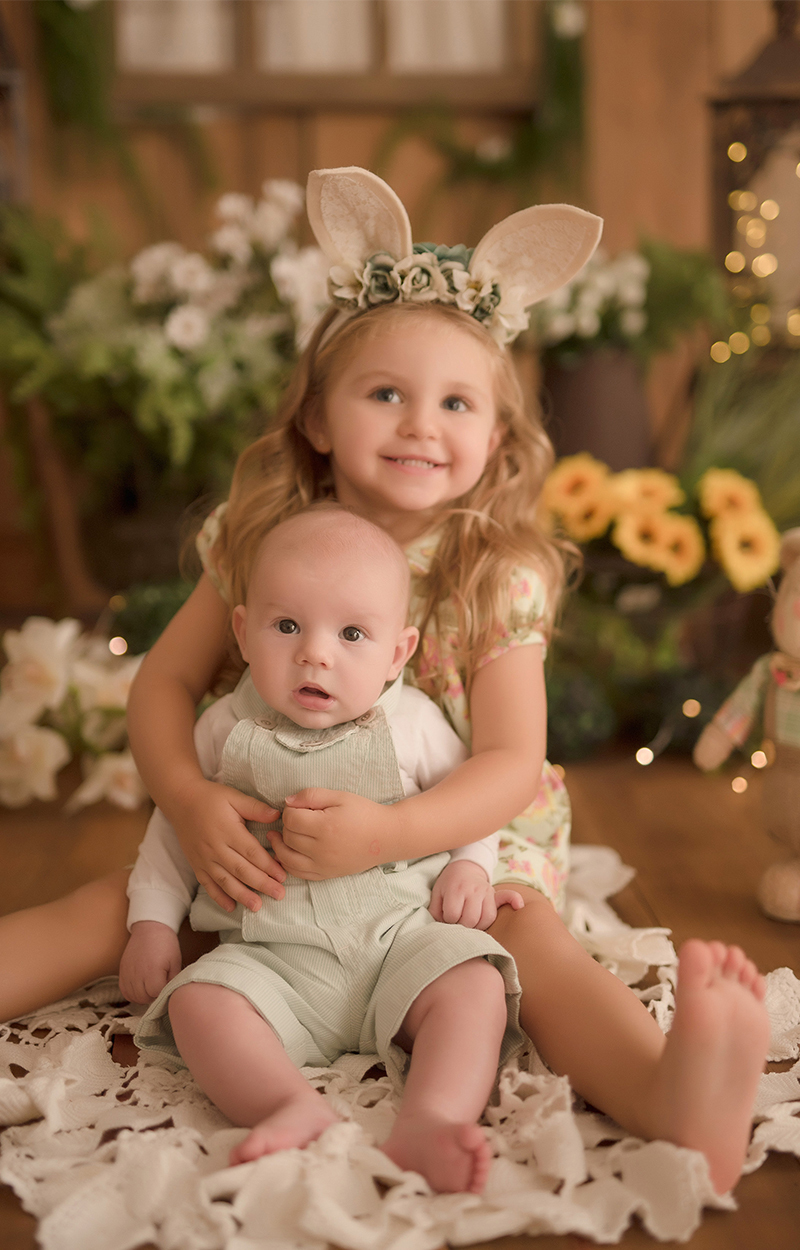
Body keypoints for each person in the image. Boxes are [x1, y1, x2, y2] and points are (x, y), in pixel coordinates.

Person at [0, 168, 769, 1197]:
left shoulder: (495, 574)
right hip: (275, 846)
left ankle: (669, 1093)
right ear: (317, 416)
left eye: (455, 401)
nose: (420, 424)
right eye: (385, 394)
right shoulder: (256, 539)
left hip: (445, 851)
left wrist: (391, 837)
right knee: (119, 909)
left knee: (526, 946)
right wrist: (189, 799)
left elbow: (507, 760)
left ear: (494, 438)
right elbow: (162, 687)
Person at [122, 503, 524, 1194]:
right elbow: (173, 827)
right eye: (287, 626)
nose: (315, 652)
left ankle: (431, 1117)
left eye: (352, 634)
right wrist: (152, 922)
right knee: (200, 1005)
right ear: (243, 633)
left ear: (397, 653)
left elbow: (470, 801)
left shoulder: (416, 726)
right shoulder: (225, 728)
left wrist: (469, 863)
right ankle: (285, 1104)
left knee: (476, 983)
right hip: (272, 960)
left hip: (401, 941)